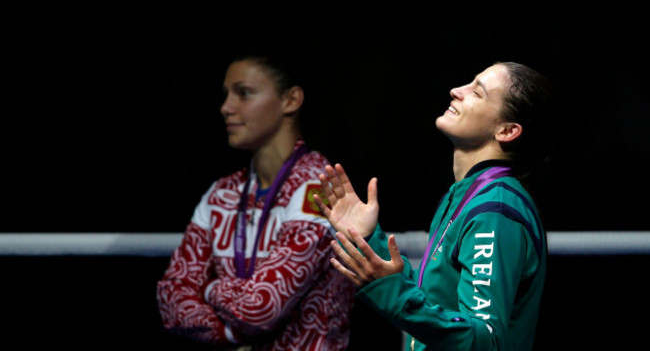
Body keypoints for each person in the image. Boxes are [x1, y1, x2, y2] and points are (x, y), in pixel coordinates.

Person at [315, 62, 553, 351]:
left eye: (477, 93)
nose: (456, 91)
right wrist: (370, 238)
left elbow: (484, 340)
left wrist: (393, 293)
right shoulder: (469, 194)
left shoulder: (495, 211)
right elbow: (437, 303)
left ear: (506, 130)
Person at [157, 51, 355, 350]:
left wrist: (208, 288)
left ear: (291, 100)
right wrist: (231, 334)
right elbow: (171, 297)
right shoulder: (221, 194)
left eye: (244, 93)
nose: (226, 107)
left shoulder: (320, 188)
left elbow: (261, 308)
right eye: (226, 95)